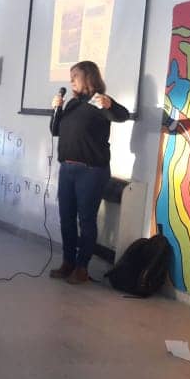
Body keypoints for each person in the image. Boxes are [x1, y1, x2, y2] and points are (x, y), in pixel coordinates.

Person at [49, 61, 129, 284]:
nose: (71, 80)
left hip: (91, 171)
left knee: (86, 220)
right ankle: (68, 262)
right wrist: (56, 108)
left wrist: (110, 103)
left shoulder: (98, 101)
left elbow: (122, 115)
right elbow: (55, 130)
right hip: (67, 169)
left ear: (88, 77)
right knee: (66, 218)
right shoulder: (73, 104)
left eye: (75, 76)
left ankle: (82, 268)